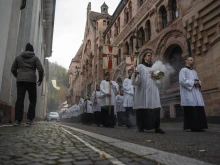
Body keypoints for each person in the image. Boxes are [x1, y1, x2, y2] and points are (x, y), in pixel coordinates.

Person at [11, 43, 44, 126]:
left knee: (20, 100)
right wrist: (40, 80)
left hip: (21, 81)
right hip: (31, 81)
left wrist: (18, 76)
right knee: (32, 100)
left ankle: (18, 120)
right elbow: (41, 70)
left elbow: (13, 69)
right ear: (32, 50)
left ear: (25, 50)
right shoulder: (35, 58)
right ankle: (29, 119)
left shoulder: (18, 58)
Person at [132, 52, 165, 134]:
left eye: (151, 56)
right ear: (144, 57)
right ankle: (141, 127)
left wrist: (153, 73)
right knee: (142, 108)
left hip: (153, 90)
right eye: (148, 55)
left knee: (155, 107)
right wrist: (136, 74)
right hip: (143, 90)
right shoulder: (140, 67)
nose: (150, 57)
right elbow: (136, 82)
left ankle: (157, 127)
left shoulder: (154, 67)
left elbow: (159, 81)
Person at [179, 57, 208, 132]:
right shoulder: (183, 70)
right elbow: (182, 81)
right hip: (189, 93)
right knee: (191, 109)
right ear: (187, 61)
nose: (192, 61)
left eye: (193, 60)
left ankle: (200, 126)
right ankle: (193, 127)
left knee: (198, 108)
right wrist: (193, 82)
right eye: (191, 60)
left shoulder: (194, 71)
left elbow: (197, 80)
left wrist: (198, 83)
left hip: (196, 92)